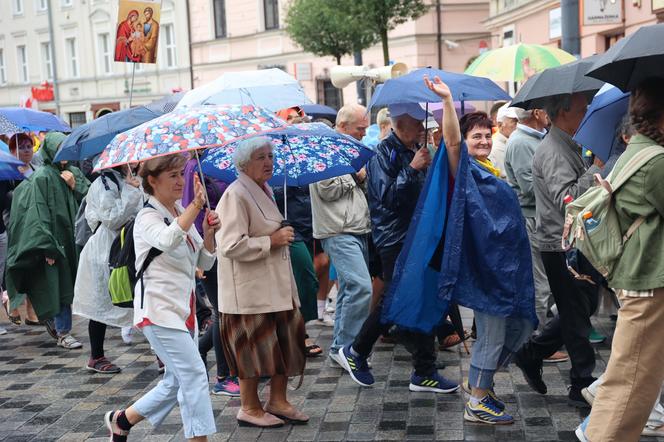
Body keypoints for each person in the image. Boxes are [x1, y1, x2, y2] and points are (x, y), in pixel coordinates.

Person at [429, 76, 536, 424]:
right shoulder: (464, 170)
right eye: (476, 136)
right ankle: (477, 399)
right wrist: (447, 101)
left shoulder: (490, 168)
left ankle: (480, 384)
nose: (484, 141)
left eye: (488, 135)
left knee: (518, 327)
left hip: (503, 266)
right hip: (484, 269)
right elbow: (451, 141)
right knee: (492, 333)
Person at [338, 101, 458, 394]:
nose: (420, 128)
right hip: (394, 240)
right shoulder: (383, 153)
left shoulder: (412, 150)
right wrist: (412, 169)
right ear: (399, 123)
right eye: (417, 123)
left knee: (420, 298)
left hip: (416, 236)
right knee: (395, 299)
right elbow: (386, 197)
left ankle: (424, 369)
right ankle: (356, 351)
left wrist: (426, 164)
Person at [105, 153, 219, 441]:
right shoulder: (147, 216)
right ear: (152, 181)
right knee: (193, 374)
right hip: (158, 311)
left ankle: (122, 420)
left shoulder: (180, 209)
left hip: (183, 310)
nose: (181, 181)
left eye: (182, 174)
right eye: (173, 176)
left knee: (173, 381)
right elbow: (167, 240)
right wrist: (196, 206)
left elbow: (204, 263)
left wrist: (207, 232)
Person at [575, 78, 664, 441]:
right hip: (646, 282)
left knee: (632, 378)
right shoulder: (656, 161)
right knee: (631, 382)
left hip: (638, 278)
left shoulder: (638, 151)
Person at [514, 91, 601, 407]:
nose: (587, 112)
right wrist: (597, 169)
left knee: (582, 305)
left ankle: (533, 351)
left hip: (573, 241)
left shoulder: (567, 143)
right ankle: (581, 382)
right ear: (563, 112)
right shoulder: (552, 149)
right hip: (559, 243)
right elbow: (568, 199)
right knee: (576, 312)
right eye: (582, 107)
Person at [216, 137, 307, 428]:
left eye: (270, 155)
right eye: (260, 157)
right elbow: (229, 245)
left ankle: (278, 400)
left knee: (284, 343)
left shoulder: (263, 188)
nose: (268, 162)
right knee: (253, 351)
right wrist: (271, 240)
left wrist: (280, 233)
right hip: (250, 291)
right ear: (243, 163)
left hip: (275, 287)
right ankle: (249, 407)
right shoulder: (236, 194)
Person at [5, 132, 89, 349]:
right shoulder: (42, 177)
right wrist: (47, 247)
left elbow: (92, 199)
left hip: (73, 242)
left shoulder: (73, 172)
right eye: (59, 148)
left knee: (68, 285)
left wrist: (75, 185)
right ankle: (63, 332)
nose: (64, 154)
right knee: (59, 285)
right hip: (55, 242)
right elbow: (38, 213)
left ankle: (55, 323)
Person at [309, 104, 373, 365]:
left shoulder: (347, 149)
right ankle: (349, 348)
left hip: (355, 227)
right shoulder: (324, 149)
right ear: (343, 126)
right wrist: (355, 174)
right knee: (361, 287)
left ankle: (341, 347)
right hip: (338, 229)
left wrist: (358, 176)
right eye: (360, 129)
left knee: (349, 289)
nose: (363, 133)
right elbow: (326, 189)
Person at [73, 166, 143, 373]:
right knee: (101, 303)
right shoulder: (101, 185)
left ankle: (162, 357)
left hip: (129, 247)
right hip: (106, 251)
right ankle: (96, 356)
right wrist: (131, 191)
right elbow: (113, 219)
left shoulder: (129, 180)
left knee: (143, 300)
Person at [181, 158, 239, 397]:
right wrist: (203, 248)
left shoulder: (223, 161)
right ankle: (223, 376)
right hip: (210, 246)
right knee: (221, 310)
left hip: (228, 242)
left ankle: (202, 349)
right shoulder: (195, 167)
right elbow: (190, 209)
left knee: (227, 309)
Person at [489, 103, 518, 179]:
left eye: (520, 121)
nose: (518, 126)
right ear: (500, 125)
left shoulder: (516, 142)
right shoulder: (493, 148)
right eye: (514, 121)